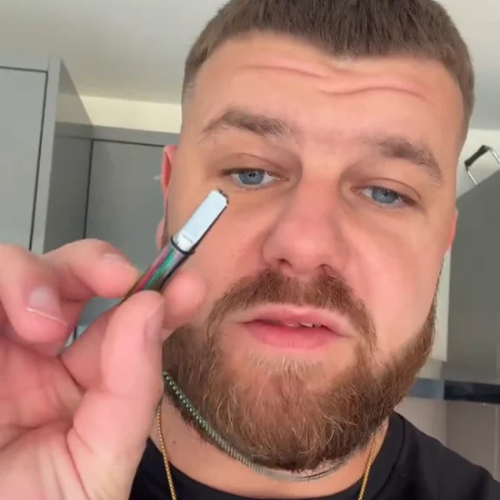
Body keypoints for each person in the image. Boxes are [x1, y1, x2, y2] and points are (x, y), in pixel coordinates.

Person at [1, 0, 499, 499]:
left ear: (444, 239)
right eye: (250, 173)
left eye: (386, 193)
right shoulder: (24, 456)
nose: (304, 247)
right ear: (170, 197)